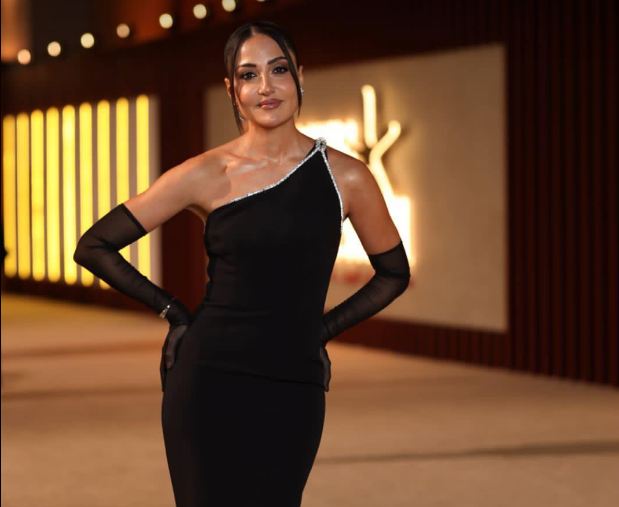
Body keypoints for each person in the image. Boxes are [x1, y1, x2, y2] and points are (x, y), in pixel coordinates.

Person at [73, 19, 410, 507]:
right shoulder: (207, 173)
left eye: (278, 69)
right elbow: (95, 245)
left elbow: (393, 273)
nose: (266, 86)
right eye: (249, 75)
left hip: (293, 384)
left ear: (299, 76)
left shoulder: (347, 177)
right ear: (233, 90)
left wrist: (321, 330)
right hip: (207, 378)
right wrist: (174, 312)